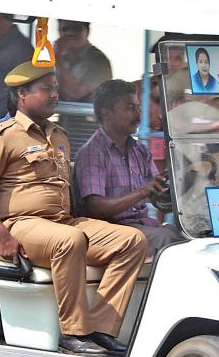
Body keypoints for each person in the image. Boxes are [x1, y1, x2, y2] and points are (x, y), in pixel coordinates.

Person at [0, 62, 148, 357]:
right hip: (19, 227)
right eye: (46, 89)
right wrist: (1, 235)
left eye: (56, 89)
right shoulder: (2, 135)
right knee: (69, 240)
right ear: (22, 93)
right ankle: (73, 333)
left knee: (132, 241)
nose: (54, 95)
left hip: (61, 222)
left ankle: (101, 328)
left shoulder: (59, 135)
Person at [75, 79, 186, 256]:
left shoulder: (140, 151)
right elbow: (95, 208)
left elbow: (159, 201)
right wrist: (142, 192)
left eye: (138, 108)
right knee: (169, 241)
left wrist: (172, 188)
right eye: (130, 108)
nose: (139, 116)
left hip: (141, 226)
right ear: (107, 115)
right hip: (111, 232)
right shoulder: (92, 153)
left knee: (190, 236)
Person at [54, 20, 112, 102]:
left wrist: (57, 58)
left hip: (91, 114)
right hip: (64, 113)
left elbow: (74, 94)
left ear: (87, 31)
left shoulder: (99, 60)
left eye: (76, 28)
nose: (70, 33)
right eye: (65, 29)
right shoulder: (60, 56)